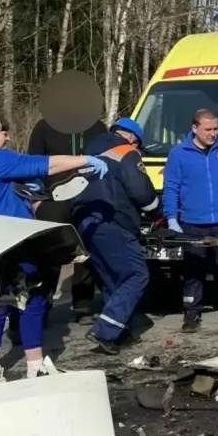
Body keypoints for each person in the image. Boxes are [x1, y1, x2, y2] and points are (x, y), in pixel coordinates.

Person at [0, 112, 108, 378]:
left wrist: (25, 191)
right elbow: (47, 165)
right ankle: (34, 364)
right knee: (34, 298)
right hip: (14, 242)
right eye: (3, 132)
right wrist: (86, 159)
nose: (7, 137)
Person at [72, 118, 159, 354]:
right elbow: (141, 191)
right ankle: (105, 331)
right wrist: (155, 207)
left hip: (84, 222)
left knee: (113, 278)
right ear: (132, 138)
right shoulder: (125, 152)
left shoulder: (86, 152)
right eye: (138, 145)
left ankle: (120, 332)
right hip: (113, 220)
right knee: (136, 275)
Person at [162, 109, 218, 333]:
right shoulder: (179, 153)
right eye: (208, 129)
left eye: (216, 129)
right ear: (195, 129)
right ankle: (192, 312)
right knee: (193, 269)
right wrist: (172, 218)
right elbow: (171, 187)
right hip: (192, 222)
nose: (213, 134)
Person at [27, 114, 110, 321]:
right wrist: (36, 193)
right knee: (51, 252)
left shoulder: (98, 127)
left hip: (87, 197)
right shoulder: (44, 127)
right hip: (53, 198)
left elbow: (106, 159)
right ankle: (42, 306)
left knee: (85, 250)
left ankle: (82, 303)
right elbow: (33, 161)